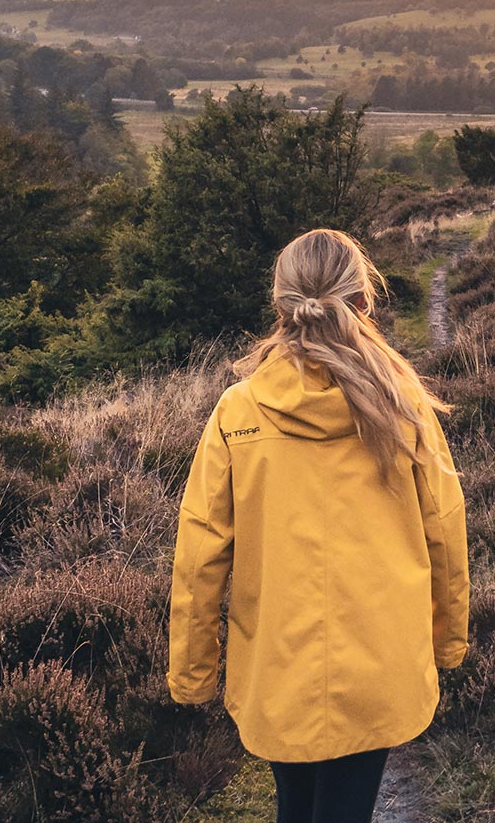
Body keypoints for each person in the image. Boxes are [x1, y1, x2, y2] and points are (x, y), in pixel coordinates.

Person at [167, 228, 470, 823]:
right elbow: (445, 528)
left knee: (297, 805)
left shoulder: (239, 410)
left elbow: (199, 552)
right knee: (347, 807)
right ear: (364, 302)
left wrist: (194, 671)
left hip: (278, 663)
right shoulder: (405, 405)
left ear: (281, 307)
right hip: (382, 657)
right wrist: (446, 639)